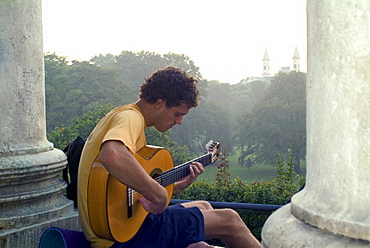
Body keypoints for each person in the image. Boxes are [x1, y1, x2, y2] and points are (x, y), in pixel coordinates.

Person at [77, 66, 261, 248]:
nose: (179, 121)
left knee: (204, 206)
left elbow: (130, 189)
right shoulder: (130, 118)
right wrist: (158, 194)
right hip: (125, 239)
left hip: (119, 230)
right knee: (229, 220)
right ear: (159, 103)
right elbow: (112, 155)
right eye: (177, 114)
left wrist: (177, 186)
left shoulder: (122, 116)